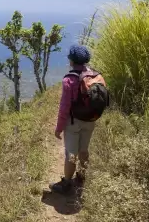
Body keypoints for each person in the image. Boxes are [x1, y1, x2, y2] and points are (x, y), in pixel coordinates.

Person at [49, 44, 95, 194]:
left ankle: (67, 184)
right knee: (84, 150)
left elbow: (64, 109)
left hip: (73, 123)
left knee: (71, 154)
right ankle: (81, 177)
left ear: (71, 60)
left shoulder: (69, 80)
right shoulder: (94, 76)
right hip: (90, 120)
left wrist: (59, 128)